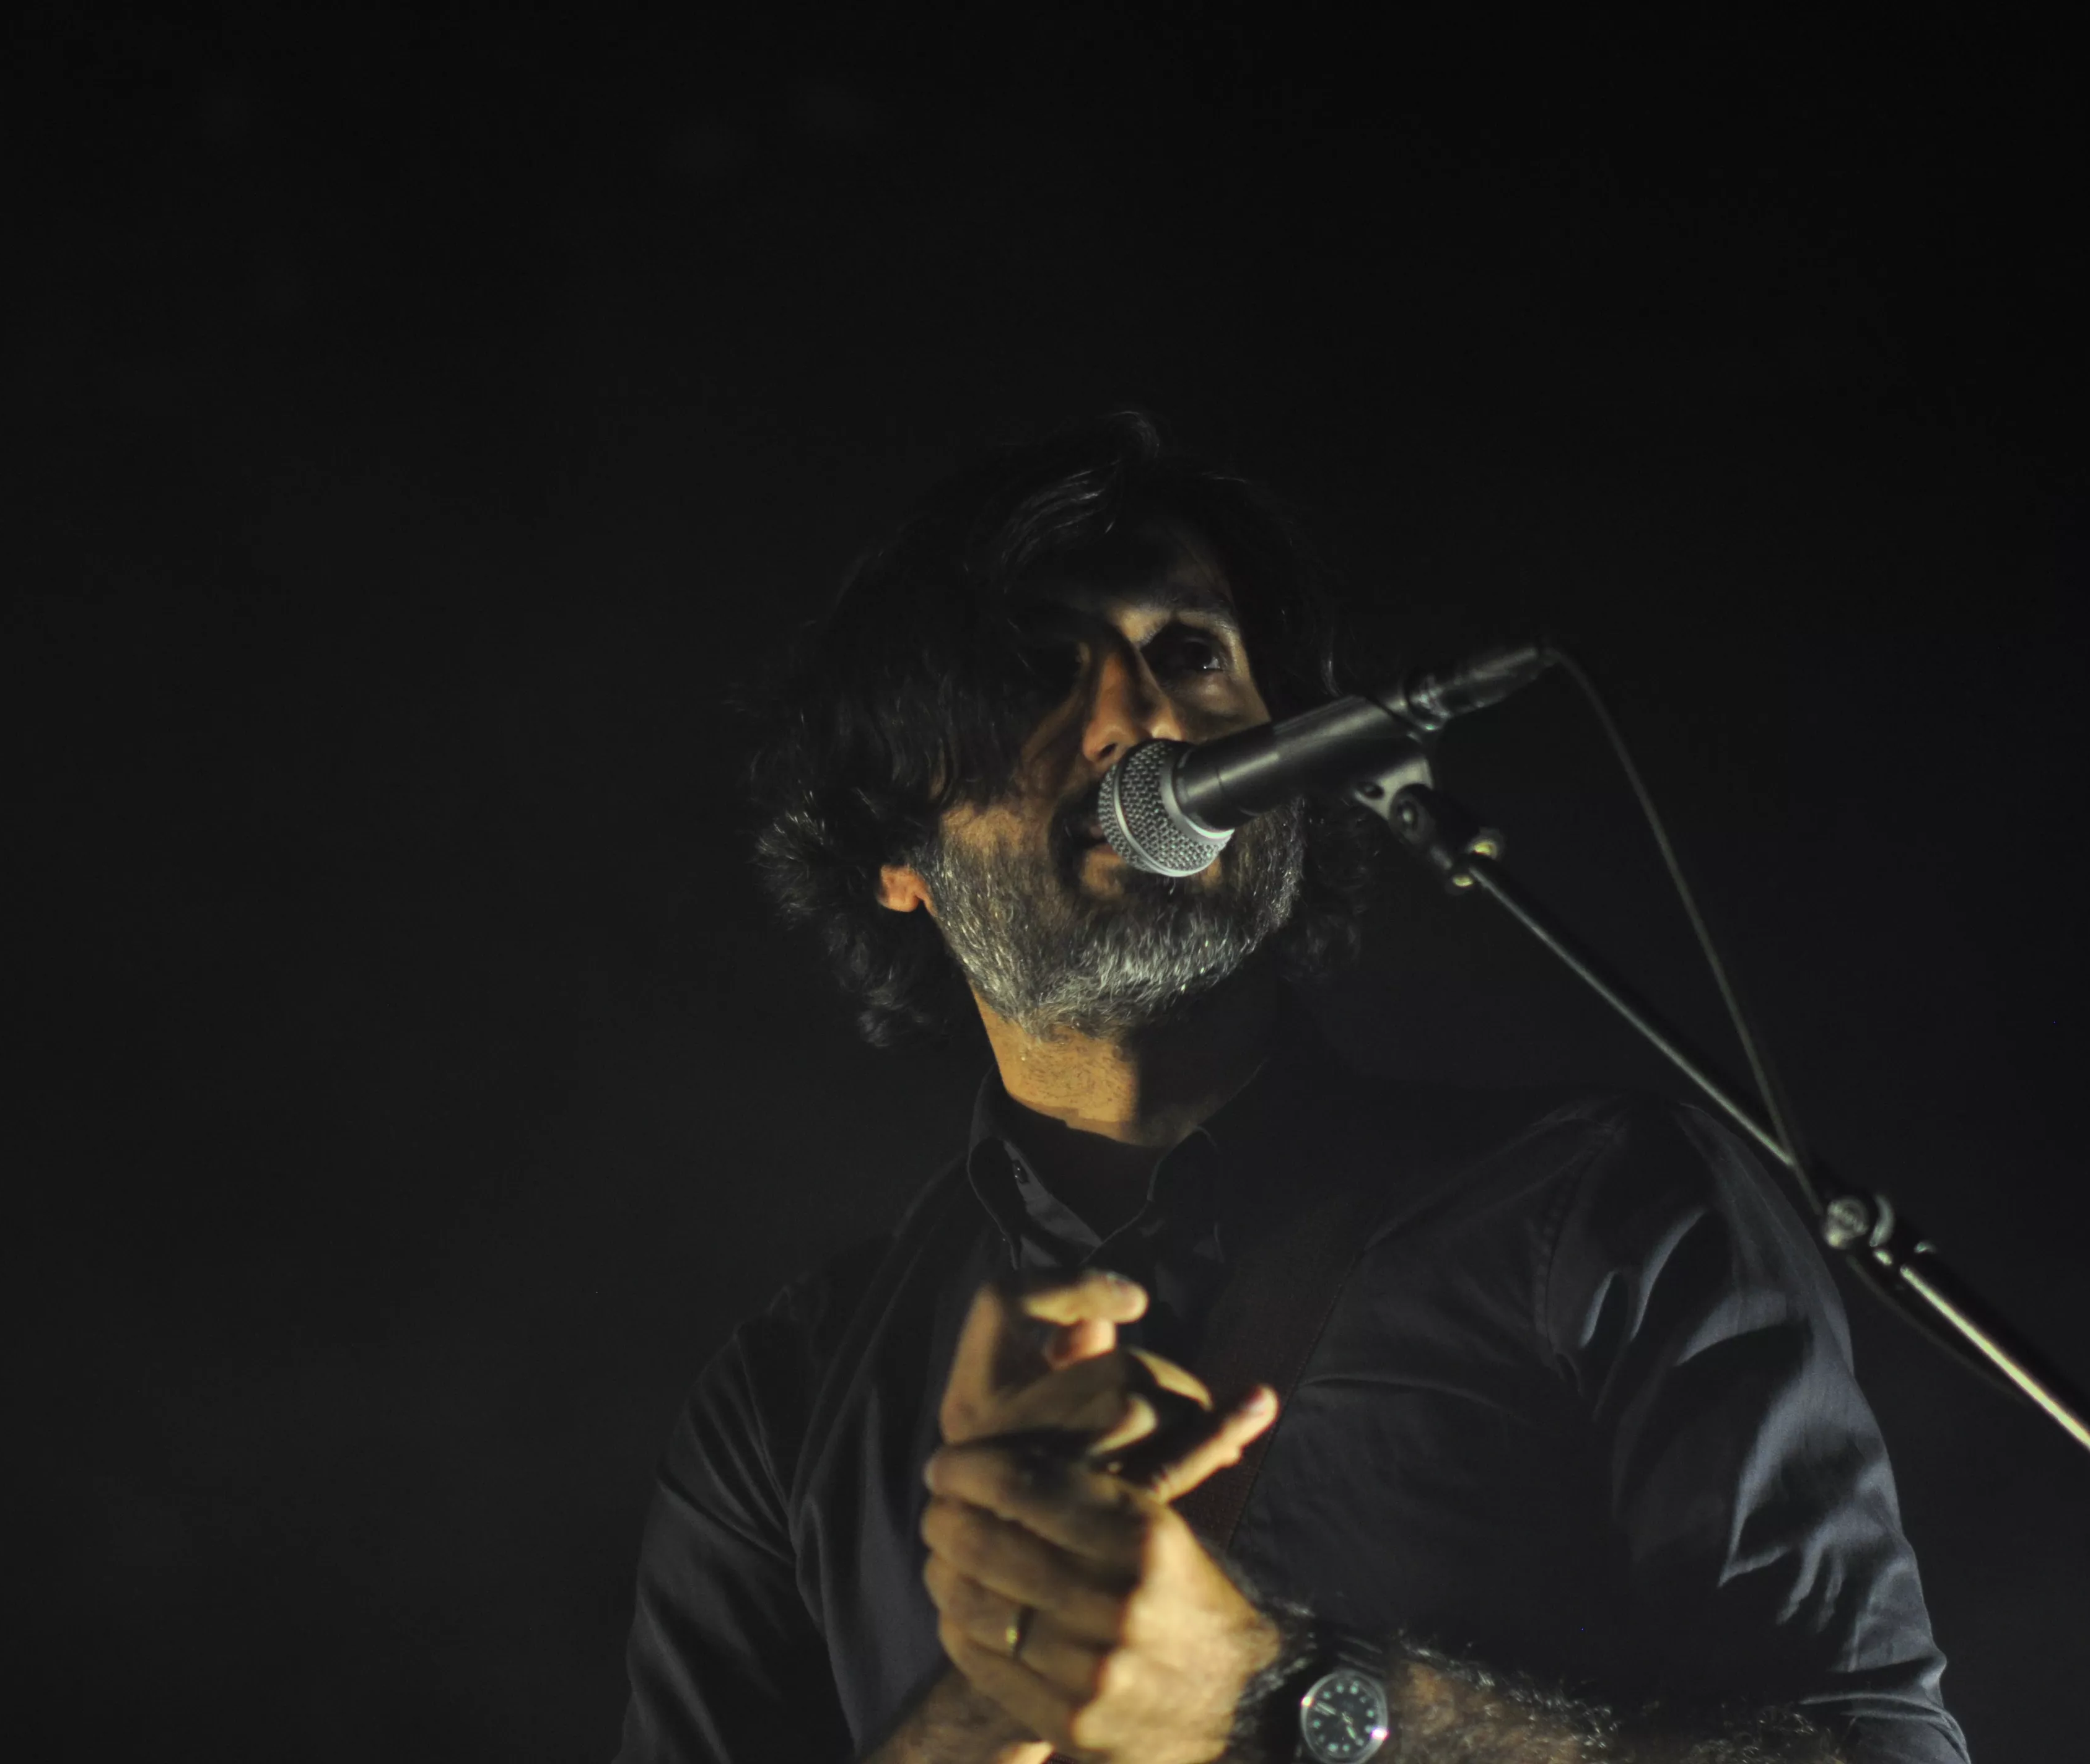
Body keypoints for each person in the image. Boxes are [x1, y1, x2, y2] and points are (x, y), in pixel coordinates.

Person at [613, 413, 1967, 1763]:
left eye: (1191, 655)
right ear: (891, 850)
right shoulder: (786, 1407)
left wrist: (1280, 1699)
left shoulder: (1616, 1210)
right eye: (1029, 669)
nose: (1138, 721)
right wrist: (990, 1707)